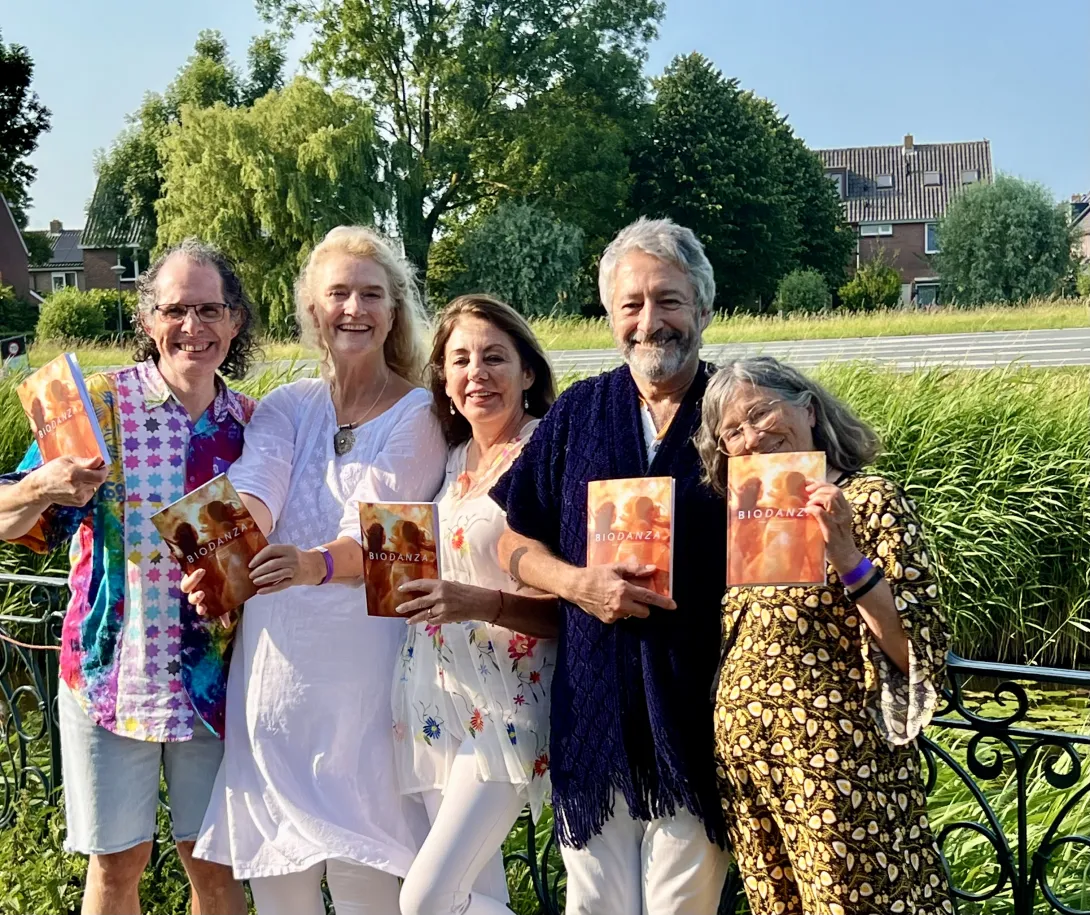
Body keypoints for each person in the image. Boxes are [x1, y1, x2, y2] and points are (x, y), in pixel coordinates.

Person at [183, 225, 448, 915]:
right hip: (274, 680)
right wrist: (219, 556)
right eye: (338, 294)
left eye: (371, 294)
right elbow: (257, 491)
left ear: (394, 309)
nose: (353, 309)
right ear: (312, 308)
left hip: (367, 683)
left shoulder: (421, 413)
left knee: (368, 885)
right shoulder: (285, 404)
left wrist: (313, 563)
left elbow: (384, 535)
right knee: (280, 889)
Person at [0, 239, 257, 915]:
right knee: (116, 869)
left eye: (210, 309)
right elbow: (8, 519)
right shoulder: (97, 407)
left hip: (216, 684)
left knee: (217, 869)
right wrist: (41, 486)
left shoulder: (254, 424)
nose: (193, 326)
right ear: (147, 319)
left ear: (234, 321)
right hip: (111, 675)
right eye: (175, 309)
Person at [493, 217, 732, 914]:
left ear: (703, 309)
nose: (649, 321)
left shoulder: (740, 409)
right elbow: (512, 542)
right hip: (592, 722)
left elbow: (798, 527)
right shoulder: (578, 412)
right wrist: (576, 584)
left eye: (668, 300)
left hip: (697, 722)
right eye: (631, 304)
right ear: (610, 316)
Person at [694, 355, 952, 915]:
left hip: (837, 771)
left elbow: (917, 651)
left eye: (761, 413)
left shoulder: (869, 500)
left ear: (807, 409)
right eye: (732, 432)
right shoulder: (748, 518)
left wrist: (848, 557)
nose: (751, 437)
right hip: (751, 775)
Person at [392, 294, 560, 915]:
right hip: (435, 699)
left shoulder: (546, 453)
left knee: (427, 901)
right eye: (460, 360)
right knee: (474, 895)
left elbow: (568, 603)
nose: (476, 374)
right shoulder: (450, 457)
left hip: (507, 702)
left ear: (528, 372)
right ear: (444, 378)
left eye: (494, 357)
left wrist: (476, 602)